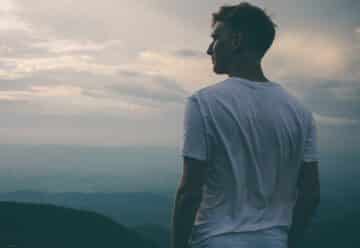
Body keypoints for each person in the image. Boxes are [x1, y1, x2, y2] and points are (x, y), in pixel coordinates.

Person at [171, 2, 320, 248]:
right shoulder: (301, 113)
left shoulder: (203, 103)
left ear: (236, 40)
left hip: (216, 240)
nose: (209, 49)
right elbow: (311, 194)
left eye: (216, 38)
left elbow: (190, 191)